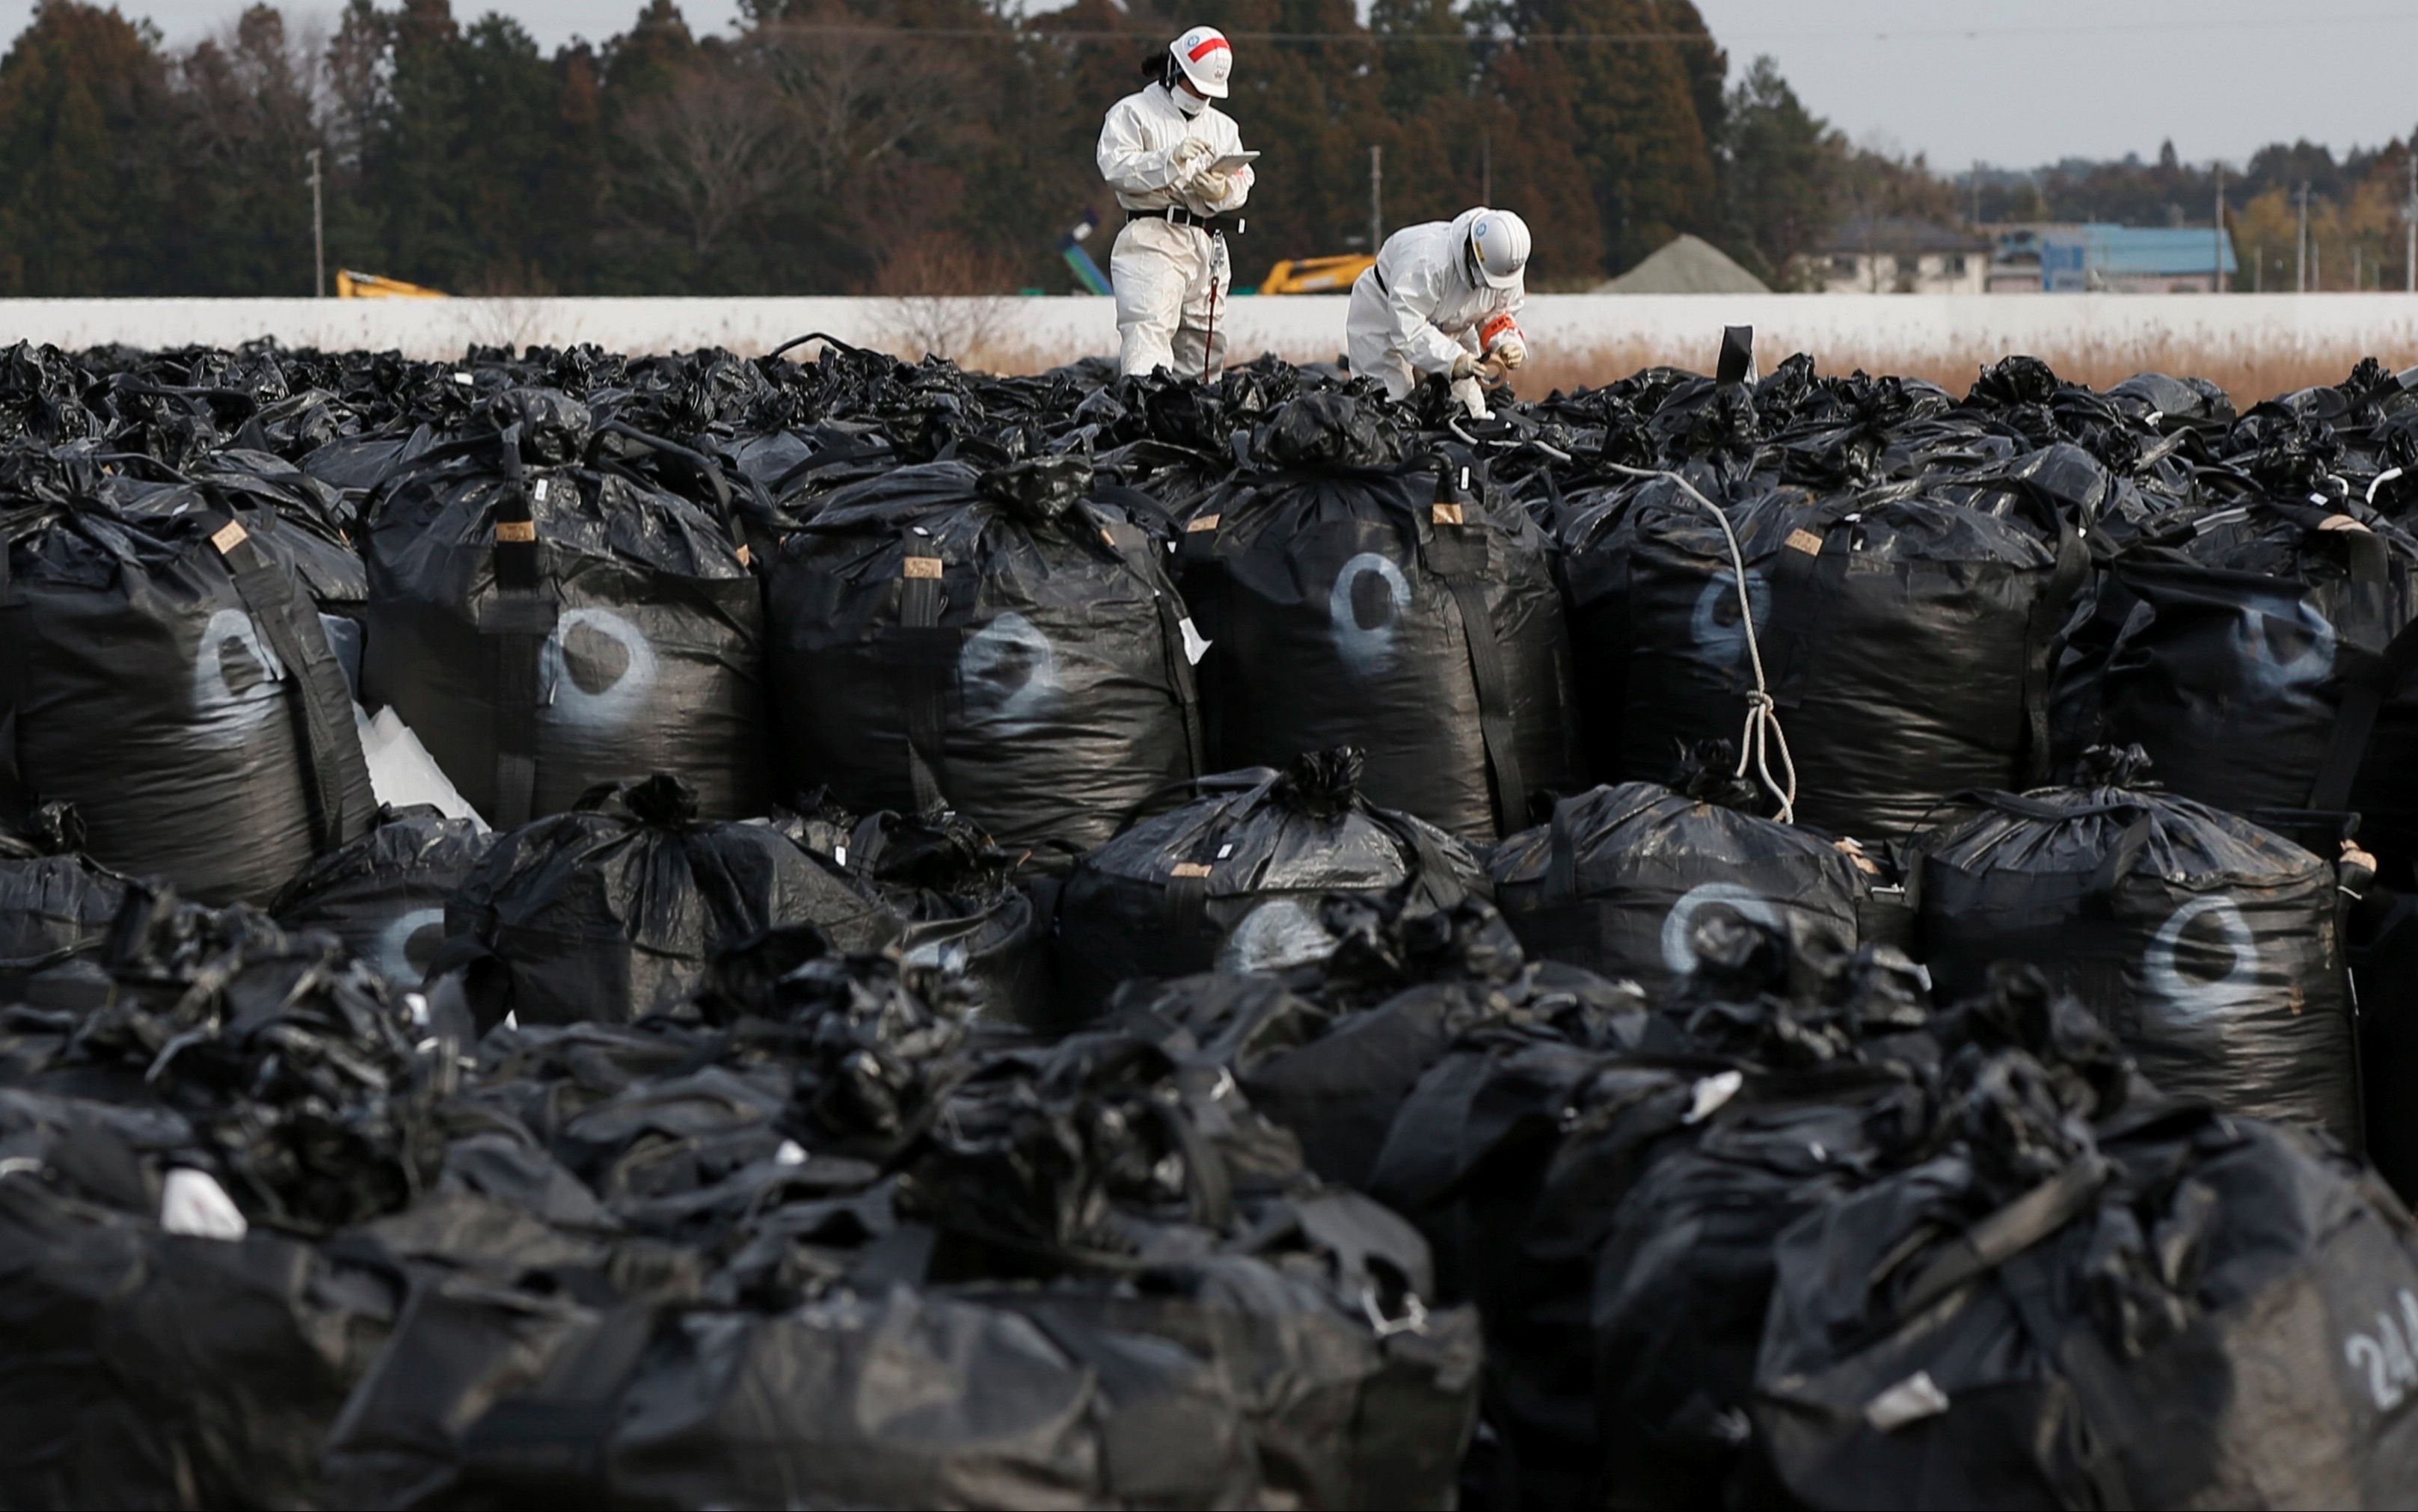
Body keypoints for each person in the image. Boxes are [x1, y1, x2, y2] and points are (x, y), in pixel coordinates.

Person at [1095, 25, 1254, 381]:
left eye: (1207, 91)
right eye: (1196, 87)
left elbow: (1242, 180)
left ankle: (1197, 412)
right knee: (1148, 333)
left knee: (1203, 348)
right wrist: (1170, 160)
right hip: (1153, 238)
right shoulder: (1133, 113)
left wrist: (1221, 191)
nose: (1201, 97)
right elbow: (1116, 168)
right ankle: (1145, 407)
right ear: (1174, 71)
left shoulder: (1223, 128)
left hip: (1206, 244)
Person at [1346, 208, 1532, 418]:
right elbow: (1409, 330)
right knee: (1390, 405)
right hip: (1384, 313)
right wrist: (1454, 360)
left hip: (1451, 324)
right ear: (1473, 255)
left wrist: (1507, 342)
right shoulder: (1426, 262)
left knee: (1470, 411)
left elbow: (1495, 312)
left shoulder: (1504, 268)